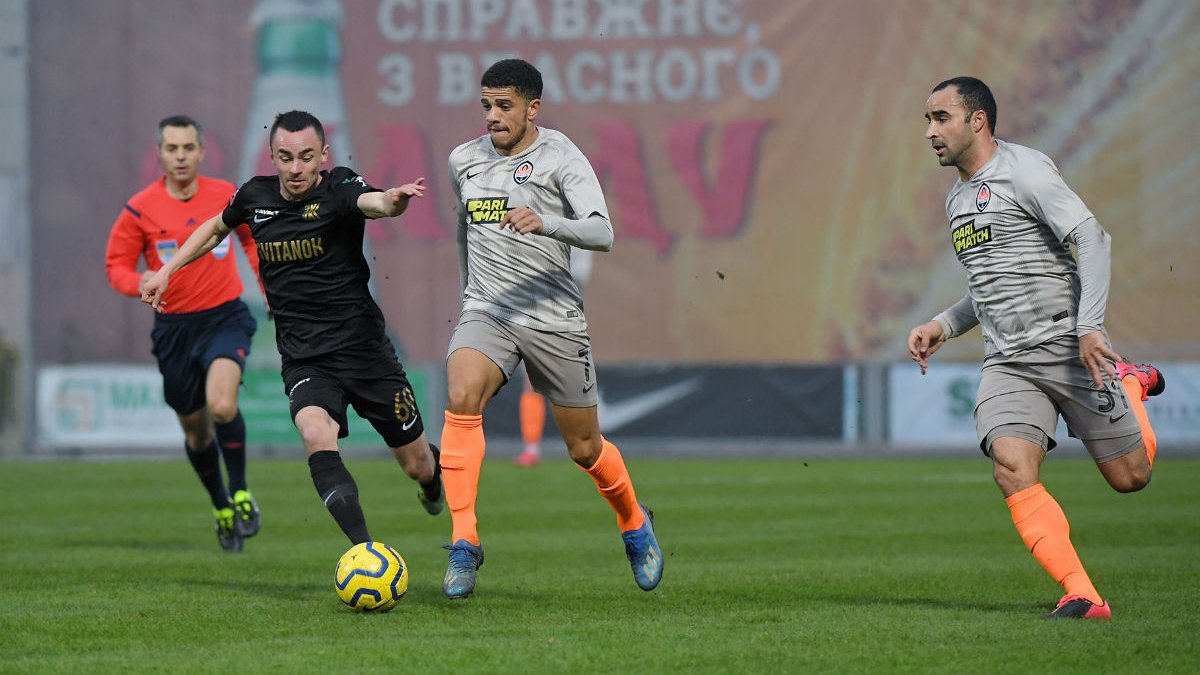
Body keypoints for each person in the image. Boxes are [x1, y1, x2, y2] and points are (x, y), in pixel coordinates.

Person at [907, 77, 1165, 620]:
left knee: (1131, 477)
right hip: (1007, 361)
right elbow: (989, 288)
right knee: (1010, 465)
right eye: (927, 120)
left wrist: (1090, 326)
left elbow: (1091, 238)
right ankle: (1083, 595)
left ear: (978, 120)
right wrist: (942, 325)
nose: (930, 131)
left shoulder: (1024, 170)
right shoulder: (957, 199)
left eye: (940, 118)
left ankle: (1129, 384)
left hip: (1067, 344)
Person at [142, 110, 444, 551]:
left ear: (323, 155)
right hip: (306, 358)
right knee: (315, 434)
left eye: (306, 156)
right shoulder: (254, 197)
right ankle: (365, 552)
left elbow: (375, 203)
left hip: (365, 354)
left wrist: (394, 200)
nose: (297, 167)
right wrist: (167, 270)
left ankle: (432, 483)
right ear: (272, 157)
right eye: (286, 157)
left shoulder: (340, 187)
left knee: (417, 465)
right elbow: (214, 229)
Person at [439, 58, 662, 600]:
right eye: (486, 105)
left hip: (553, 317)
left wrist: (546, 223)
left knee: (584, 448)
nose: (492, 116)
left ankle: (633, 520)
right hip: (488, 310)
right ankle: (464, 541)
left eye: (504, 106)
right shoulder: (463, 160)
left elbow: (603, 232)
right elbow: (465, 231)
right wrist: (468, 293)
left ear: (533, 108)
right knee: (462, 394)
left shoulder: (562, 156)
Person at [105, 115, 262, 553]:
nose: (180, 156)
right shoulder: (140, 208)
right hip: (174, 329)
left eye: (188, 147)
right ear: (159, 153)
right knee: (196, 431)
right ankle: (221, 506)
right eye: (172, 148)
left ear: (201, 152)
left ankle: (242, 493)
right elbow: (116, 266)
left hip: (224, 318)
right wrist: (139, 281)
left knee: (222, 404)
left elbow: (251, 241)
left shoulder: (226, 195)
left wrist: (268, 288)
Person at [513, 249, 593, 467]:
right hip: (534, 312)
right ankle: (531, 447)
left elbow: (579, 275)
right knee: (532, 381)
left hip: (564, 316)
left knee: (573, 382)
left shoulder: (576, 238)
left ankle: (586, 444)